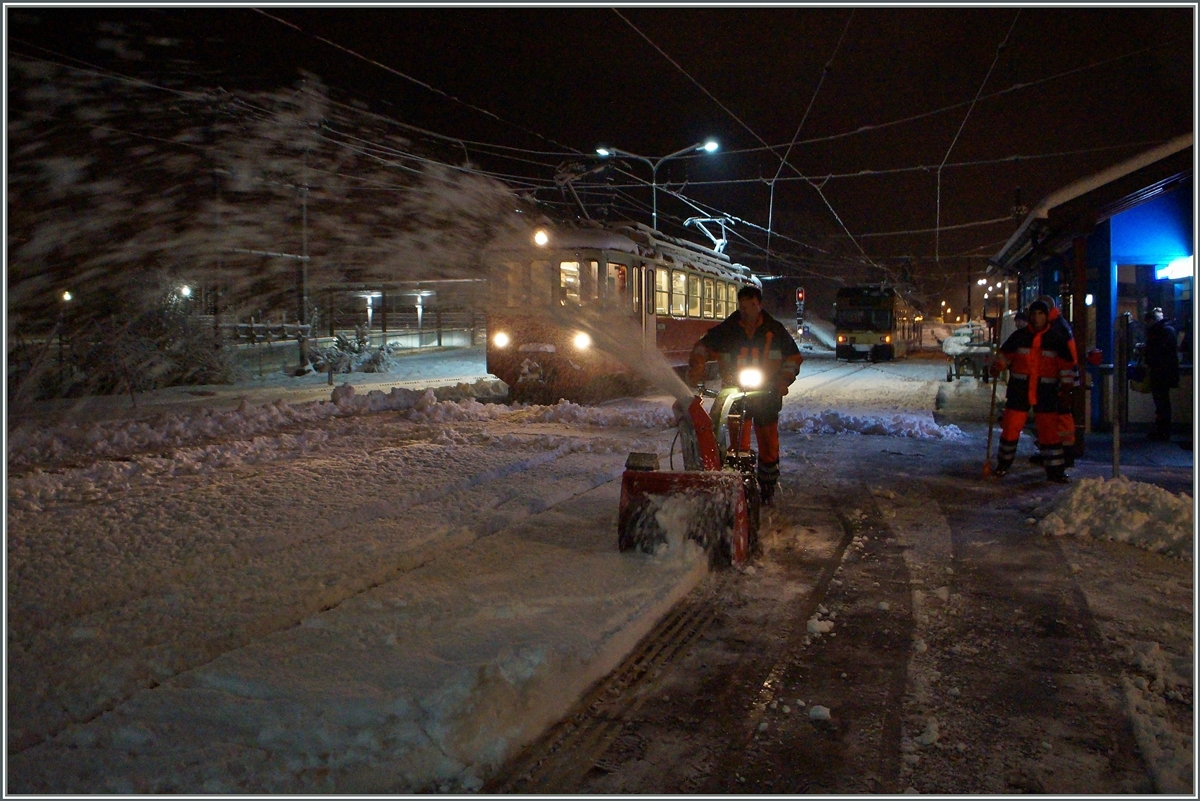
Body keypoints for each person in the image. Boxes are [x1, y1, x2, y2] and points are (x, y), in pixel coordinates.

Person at [687, 284, 803, 505]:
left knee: (768, 442)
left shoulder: (774, 330)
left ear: (759, 305)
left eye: (750, 306)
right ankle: (739, 482)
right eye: (742, 306)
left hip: (767, 394)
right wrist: (698, 363)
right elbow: (703, 346)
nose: (746, 311)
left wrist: (783, 381)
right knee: (737, 441)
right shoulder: (728, 329)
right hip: (735, 393)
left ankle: (767, 485)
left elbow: (793, 358)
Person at [988, 299, 1077, 482]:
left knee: (1049, 433)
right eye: (1034, 314)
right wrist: (997, 366)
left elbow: (1066, 367)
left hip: (1046, 393)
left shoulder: (1056, 340)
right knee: (1010, 429)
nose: (1036, 318)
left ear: (1046, 316)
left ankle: (1055, 471)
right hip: (1019, 391)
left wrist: (1066, 389)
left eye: (1040, 314)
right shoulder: (1019, 337)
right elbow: (1004, 356)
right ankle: (1003, 465)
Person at [1029, 295, 1080, 467]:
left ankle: (1064, 455)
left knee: (1061, 419)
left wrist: (1064, 384)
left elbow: (1064, 360)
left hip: (1061, 381)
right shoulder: (1059, 324)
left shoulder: (1056, 329)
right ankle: (1058, 454)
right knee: (1058, 419)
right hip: (1063, 380)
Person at [1142, 307, 1180, 441]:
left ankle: (1162, 431)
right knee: (1163, 402)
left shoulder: (1159, 332)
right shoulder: (1168, 330)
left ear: (1152, 321)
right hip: (1166, 372)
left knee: (1161, 402)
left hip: (1160, 372)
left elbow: (1156, 352)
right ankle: (1163, 430)